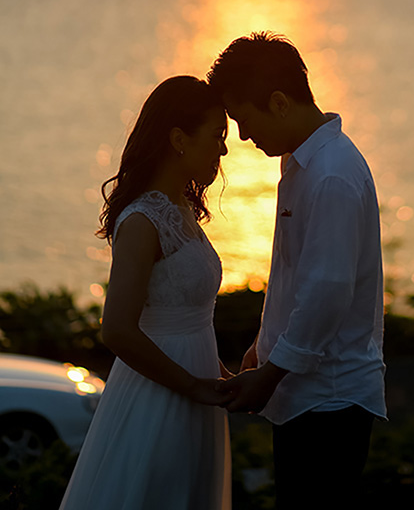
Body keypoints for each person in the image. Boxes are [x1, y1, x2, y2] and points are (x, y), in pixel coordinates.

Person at [207, 32, 386, 510]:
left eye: (245, 120)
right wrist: (263, 349)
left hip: (329, 401)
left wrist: (269, 376)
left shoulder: (330, 174)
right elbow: (298, 280)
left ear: (280, 103)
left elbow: (327, 293)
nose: (243, 136)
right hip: (306, 394)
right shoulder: (303, 163)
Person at [59, 76, 232, 510]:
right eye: (217, 136)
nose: (224, 150)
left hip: (199, 392)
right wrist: (192, 385)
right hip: (160, 396)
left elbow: (189, 315)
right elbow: (116, 330)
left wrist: (222, 379)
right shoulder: (141, 221)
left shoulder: (183, 209)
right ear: (178, 139)